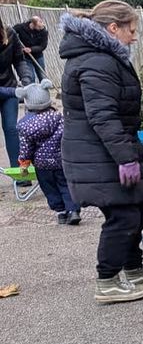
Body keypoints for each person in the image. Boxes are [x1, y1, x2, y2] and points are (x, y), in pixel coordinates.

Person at [60, 0, 143, 304]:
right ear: (113, 28)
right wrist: (125, 157)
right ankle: (107, 281)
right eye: (131, 30)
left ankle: (134, 270)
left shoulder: (102, 56)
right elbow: (102, 117)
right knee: (123, 217)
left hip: (108, 148)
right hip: (99, 153)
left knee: (137, 210)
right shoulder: (97, 61)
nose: (135, 36)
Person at [16, 82, 80, 224]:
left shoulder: (25, 126)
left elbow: (26, 148)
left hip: (42, 165)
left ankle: (61, 212)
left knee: (50, 189)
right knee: (66, 185)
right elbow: (68, 137)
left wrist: (24, 163)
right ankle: (73, 210)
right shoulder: (59, 118)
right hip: (61, 160)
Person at [0, 23, 26, 168]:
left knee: (11, 129)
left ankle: (19, 172)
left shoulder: (10, 33)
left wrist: (27, 79)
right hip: (10, 91)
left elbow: (19, 60)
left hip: (9, 86)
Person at [14, 16, 49, 85]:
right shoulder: (21, 28)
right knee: (31, 77)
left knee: (42, 76)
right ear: (33, 24)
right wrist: (19, 47)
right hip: (26, 58)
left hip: (38, 56)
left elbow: (43, 46)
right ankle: (33, 94)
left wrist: (31, 49)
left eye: (41, 26)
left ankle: (45, 93)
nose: (40, 28)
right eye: (39, 27)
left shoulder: (43, 31)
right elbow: (11, 33)